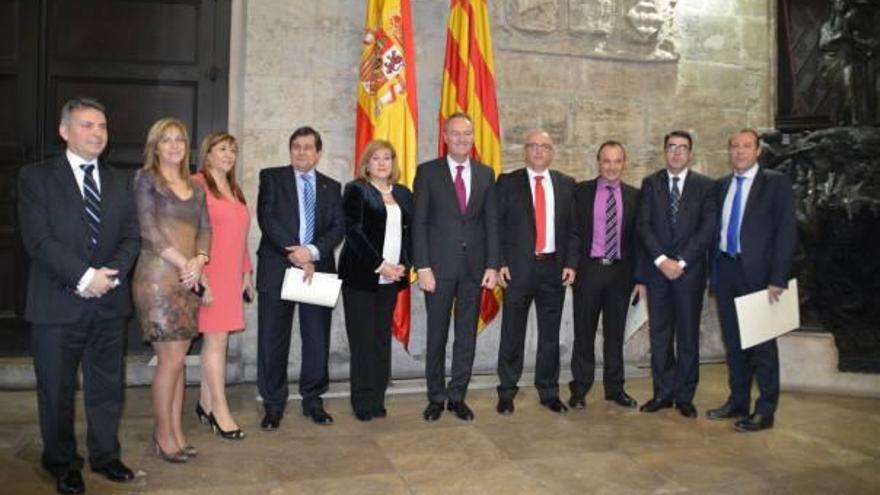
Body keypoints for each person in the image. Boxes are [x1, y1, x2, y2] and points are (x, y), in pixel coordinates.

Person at [18, 97, 139, 494]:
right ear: (64, 130)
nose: (97, 133)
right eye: (87, 125)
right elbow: (38, 239)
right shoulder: (35, 178)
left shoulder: (122, 180)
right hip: (57, 304)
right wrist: (84, 276)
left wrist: (109, 276)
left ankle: (106, 456)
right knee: (57, 391)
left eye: (101, 126)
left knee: (107, 389)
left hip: (108, 303)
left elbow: (130, 237)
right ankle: (62, 463)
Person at [706, 129, 797, 432]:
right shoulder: (720, 186)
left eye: (746, 146)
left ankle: (766, 410)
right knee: (734, 344)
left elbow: (786, 233)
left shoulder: (776, 183)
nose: (740, 152)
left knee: (762, 347)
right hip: (726, 271)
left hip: (760, 277)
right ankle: (738, 401)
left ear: (758, 151)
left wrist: (778, 278)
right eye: (734, 146)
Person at [132, 118, 211, 463]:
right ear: (155, 146)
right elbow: (149, 231)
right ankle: (163, 436)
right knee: (171, 360)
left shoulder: (197, 187)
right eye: (167, 140)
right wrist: (185, 263)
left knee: (179, 361)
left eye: (180, 140)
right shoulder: (146, 179)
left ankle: (176, 433)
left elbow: (205, 229)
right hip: (158, 278)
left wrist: (200, 258)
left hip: (188, 277)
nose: (175, 146)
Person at [413, 112, 499, 422]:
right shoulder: (428, 173)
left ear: (473, 137)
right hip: (437, 268)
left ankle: (457, 395)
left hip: (474, 269)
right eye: (456, 133)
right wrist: (422, 266)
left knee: (466, 334)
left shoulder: (486, 173)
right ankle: (436, 396)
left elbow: (491, 223)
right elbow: (419, 222)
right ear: (445, 137)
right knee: (436, 333)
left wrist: (492, 264)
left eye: (467, 134)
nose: (462, 138)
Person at [256, 126, 344, 429]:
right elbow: (266, 218)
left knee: (317, 338)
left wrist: (311, 252)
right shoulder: (271, 177)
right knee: (272, 338)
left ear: (318, 153)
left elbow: (337, 228)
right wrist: (294, 252)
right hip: (277, 266)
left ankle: (313, 400)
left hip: (317, 270)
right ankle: (273, 404)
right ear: (290, 150)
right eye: (296, 146)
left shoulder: (333, 187)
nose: (302, 152)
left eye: (308, 147)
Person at [635, 130, 717, 418]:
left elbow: (707, 230)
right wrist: (660, 260)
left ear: (690, 153)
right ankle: (662, 392)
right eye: (672, 147)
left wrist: (680, 262)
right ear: (664, 151)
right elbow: (643, 226)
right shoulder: (650, 184)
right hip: (657, 273)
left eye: (683, 148)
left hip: (689, 274)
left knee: (687, 336)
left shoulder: (706, 187)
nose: (677, 152)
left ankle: (684, 396)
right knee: (659, 334)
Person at [495, 130, 576, 415]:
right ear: (525, 151)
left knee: (550, 336)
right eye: (534, 146)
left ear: (552, 152)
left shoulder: (566, 184)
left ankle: (549, 391)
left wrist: (571, 263)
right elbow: (497, 226)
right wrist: (500, 261)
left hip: (553, 269)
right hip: (517, 270)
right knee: (512, 333)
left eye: (545, 147)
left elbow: (573, 230)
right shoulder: (507, 182)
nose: (539, 151)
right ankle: (506, 392)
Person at [563, 141, 642, 410]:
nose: (611, 166)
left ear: (624, 163)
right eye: (606, 161)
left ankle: (615, 389)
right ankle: (580, 388)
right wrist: (571, 265)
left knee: (615, 335)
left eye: (617, 161)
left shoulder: (635, 196)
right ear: (598, 162)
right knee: (583, 333)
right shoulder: (581, 192)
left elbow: (638, 240)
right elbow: (572, 233)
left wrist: (640, 278)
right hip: (589, 271)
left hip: (621, 274)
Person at [338, 140, 413, 421]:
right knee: (362, 341)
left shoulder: (404, 194)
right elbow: (353, 232)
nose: (382, 163)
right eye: (376, 158)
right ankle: (362, 401)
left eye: (387, 158)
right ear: (366, 164)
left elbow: (411, 232)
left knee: (381, 339)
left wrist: (404, 264)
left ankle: (378, 397)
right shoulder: (356, 190)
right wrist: (380, 265)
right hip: (361, 278)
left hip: (392, 279)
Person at [192, 132, 252, 440]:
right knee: (216, 342)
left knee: (218, 342)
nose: (228, 155)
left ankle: (204, 402)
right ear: (208, 154)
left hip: (231, 275)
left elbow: (239, 236)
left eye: (232, 150)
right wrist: (199, 276)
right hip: (209, 273)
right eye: (221, 149)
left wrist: (246, 272)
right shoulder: (196, 184)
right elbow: (187, 233)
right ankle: (220, 411)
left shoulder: (234, 189)